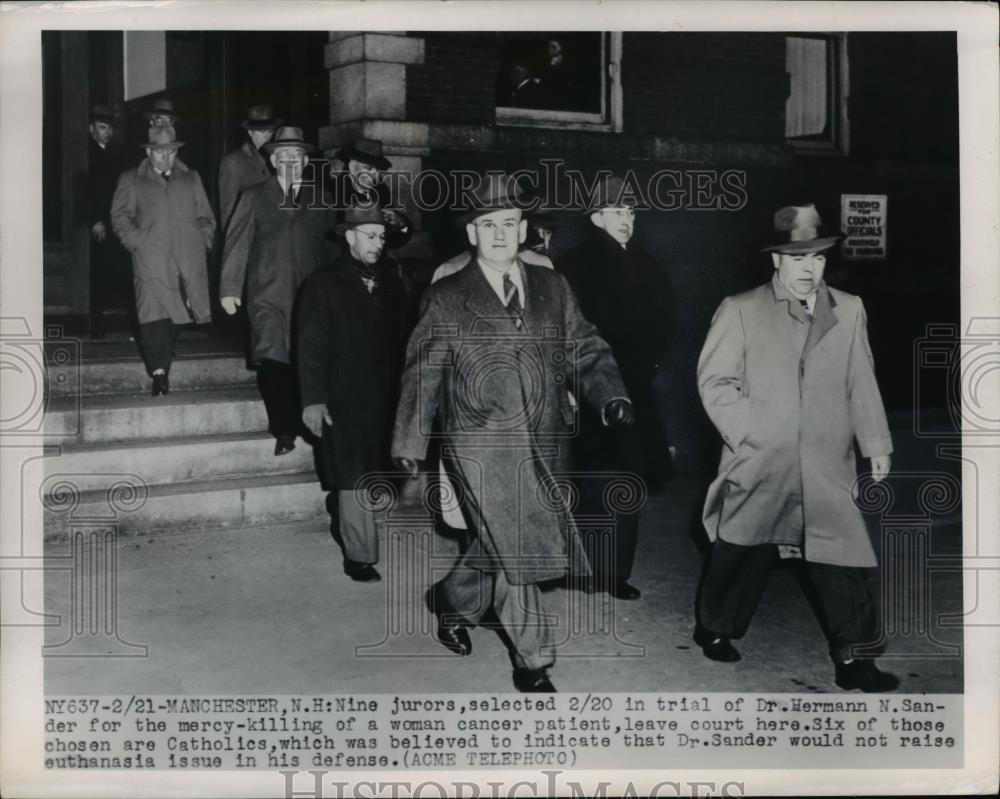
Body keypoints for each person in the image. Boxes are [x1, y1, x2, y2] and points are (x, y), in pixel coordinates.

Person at [391, 174, 634, 693]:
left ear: (522, 228)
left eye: (509, 223)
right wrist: (410, 443)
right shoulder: (447, 296)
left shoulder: (553, 286)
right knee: (519, 546)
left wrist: (610, 394)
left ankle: (452, 600)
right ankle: (534, 662)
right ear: (472, 234)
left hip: (543, 441)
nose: (500, 234)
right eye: (488, 225)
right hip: (478, 444)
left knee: (497, 543)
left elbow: (584, 346)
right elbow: (422, 372)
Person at [695, 203, 898, 693]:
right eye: (798, 258)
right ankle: (716, 626)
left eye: (819, 258)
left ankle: (855, 659)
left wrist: (876, 444)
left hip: (828, 460)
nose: (810, 269)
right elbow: (716, 380)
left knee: (842, 558)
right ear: (777, 261)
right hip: (762, 456)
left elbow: (861, 381)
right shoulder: (741, 309)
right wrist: (751, 432)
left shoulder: (847, 309)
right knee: (742, 548)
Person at [555, 175, 675, 600]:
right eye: (616, 211)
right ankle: (583, 569)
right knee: (591, 481)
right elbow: (562, 333)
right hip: (587, 388)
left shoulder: (647, 264)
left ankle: (616, 572)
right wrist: (570, 385)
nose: (626, 219)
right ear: (596, 216)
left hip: (634, 389)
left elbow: (667, 323)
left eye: (630, 211)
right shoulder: (572, 266)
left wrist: (647, 368)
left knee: (628, 479)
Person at [297, 206, 408, 583]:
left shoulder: (393, 281)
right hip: (342, 398)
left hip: (385, 397)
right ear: (350, 237)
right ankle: (360, 555)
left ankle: (342, 513)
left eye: (381, 236)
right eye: (369, 236)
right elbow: (309, 348)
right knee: (353, 474)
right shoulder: (322, 283)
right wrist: (313, 400)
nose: (377, 244)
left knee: (371, 472)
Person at [220, 126, 334, 456]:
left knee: (304, 356)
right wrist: (230, 288)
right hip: (266, 291)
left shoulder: (322, 198)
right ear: (272, 160)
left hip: (309, 292)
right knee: (272, 355)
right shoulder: (254, 195)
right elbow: (236, 242)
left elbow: (331, 248)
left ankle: (301, 419)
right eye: (282, 156)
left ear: (305, 160)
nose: (289, 162)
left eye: (296, 156)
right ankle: (282, 428)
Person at [110, 125, 216, 396]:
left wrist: (202, 240)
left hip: (187, 259)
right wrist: (137, 242)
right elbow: (120, 216)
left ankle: (162, 360)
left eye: (170, 151)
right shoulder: (132, 179)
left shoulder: (191, 178)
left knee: (179, 313)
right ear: (148, 151)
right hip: (151, 259)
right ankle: (159, 372)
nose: (165, 157)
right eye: (159, 152)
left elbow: (206, 216)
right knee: (152, 314)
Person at [87, 104, 131, 339]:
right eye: (102, 127)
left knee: (109, 270)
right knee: (96, 272)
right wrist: (96, 220)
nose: (107, 132)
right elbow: (89, 191)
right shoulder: (87, 154)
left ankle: (105, 321)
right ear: (90, 129)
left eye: (110, 128)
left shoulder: (113, 153)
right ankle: (95, 323)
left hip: (112, 220)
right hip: (98, 223)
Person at [331, 138, 412, 252]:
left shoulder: (380, 189)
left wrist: (401, 224)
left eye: (377, 170)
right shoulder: (332, 194)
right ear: (353, 168)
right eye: (369, 169)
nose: (374, 175)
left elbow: (393, 241)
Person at [217, 104, 282, 234]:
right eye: (262, 130)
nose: (267, 135)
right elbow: (228, 213)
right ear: (250, 132)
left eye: (270, 130)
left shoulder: (279, 158)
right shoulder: (233, 161)